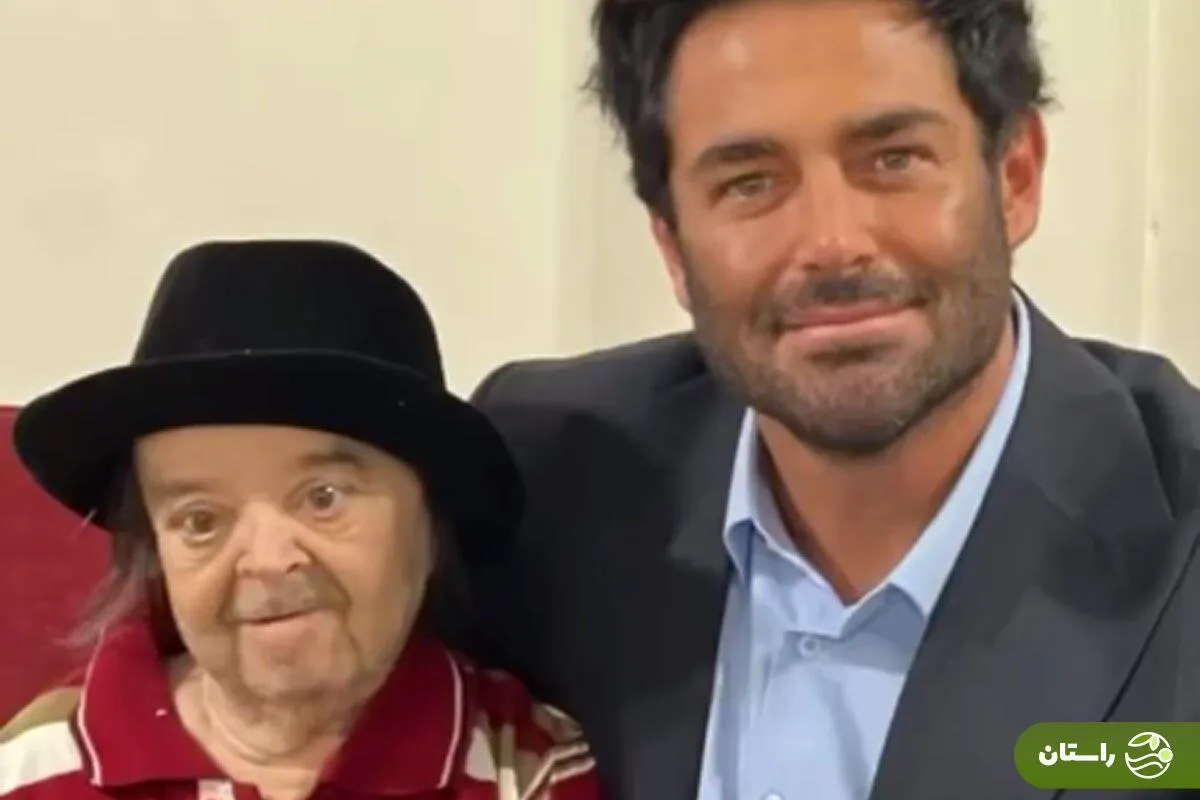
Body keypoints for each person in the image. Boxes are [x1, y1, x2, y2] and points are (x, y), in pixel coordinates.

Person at [443, 1, 1200, 799]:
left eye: (894, 159)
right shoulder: (541, 483)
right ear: (671, 243)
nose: (832, 243)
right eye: (750, 183)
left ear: (1015, 177)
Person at [0, 241, 599, 800]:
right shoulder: (33, 771)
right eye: (201, 519)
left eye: (323, 497)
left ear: (433, 520)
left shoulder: (525, 767)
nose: (267, 561)